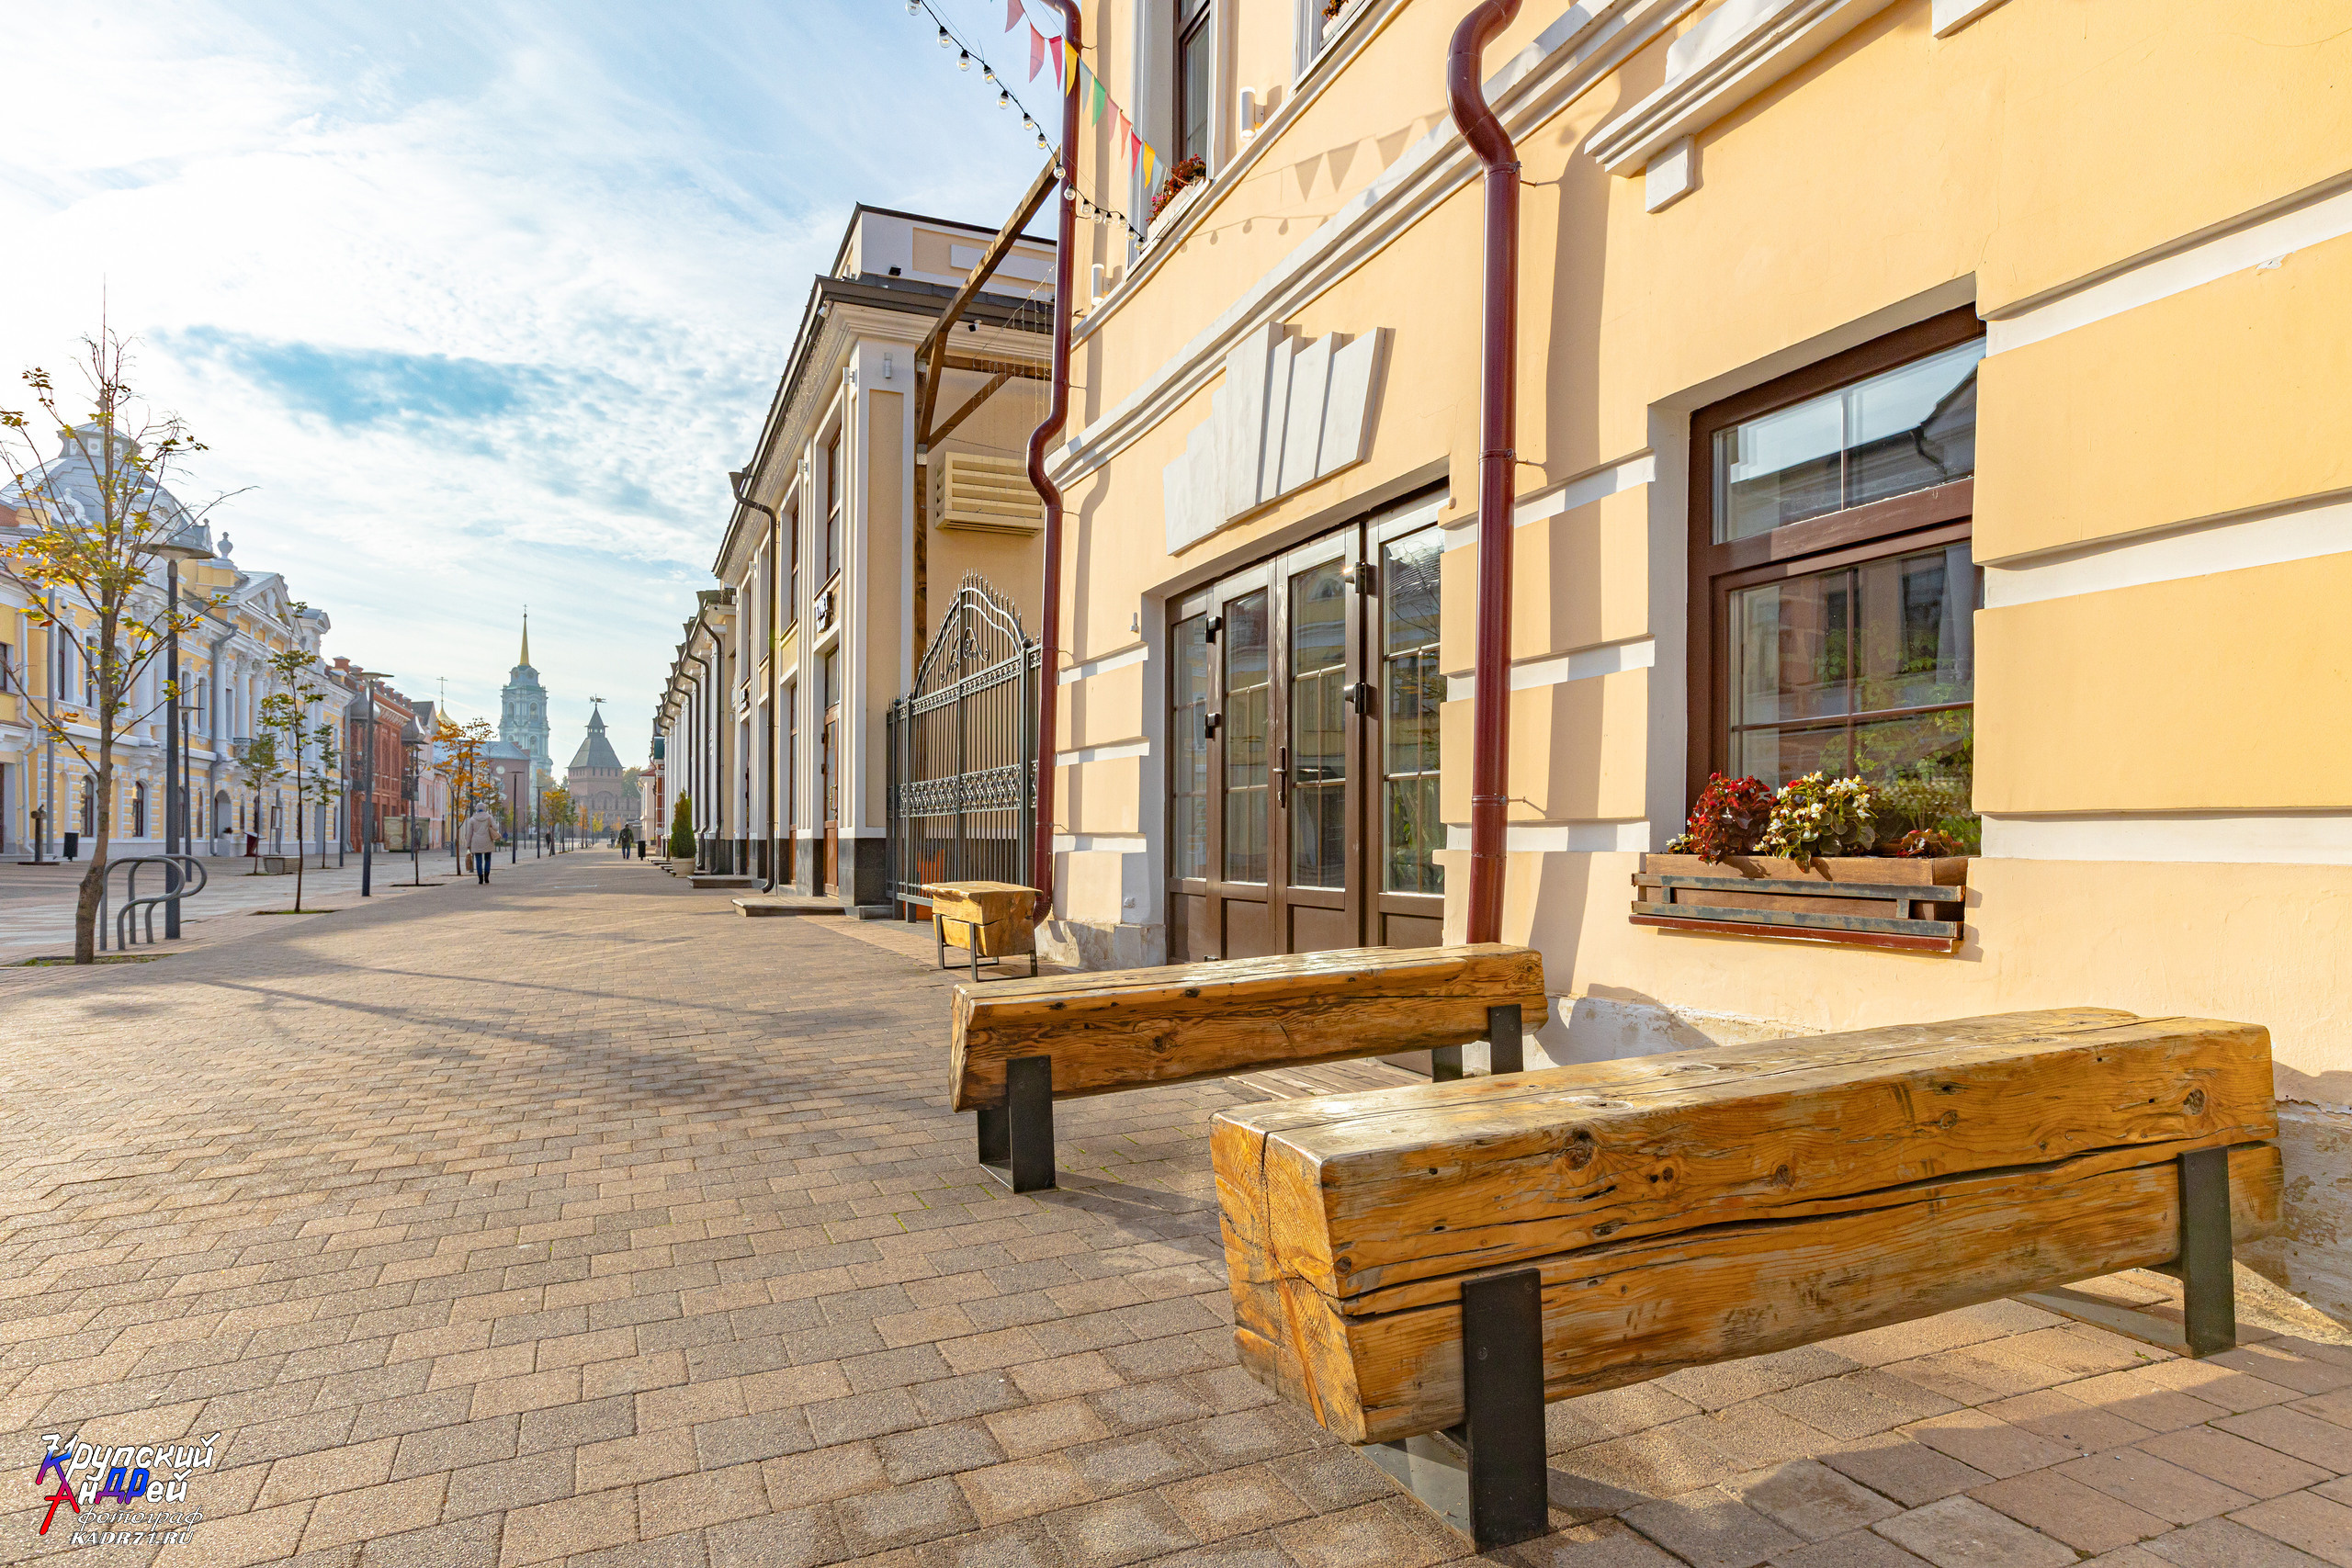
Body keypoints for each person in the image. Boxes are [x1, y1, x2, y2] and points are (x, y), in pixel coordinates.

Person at [459, 806, 499, 885]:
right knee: (488, 859)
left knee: (478, 860)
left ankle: (480, 878)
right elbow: (496, 828)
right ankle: (486, 877)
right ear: (485, 809)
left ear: (477, 809)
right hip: (487, 841)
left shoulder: (472, 819)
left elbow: (469, 833)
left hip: (476, 842)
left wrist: (468, 844)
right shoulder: (489, 817)